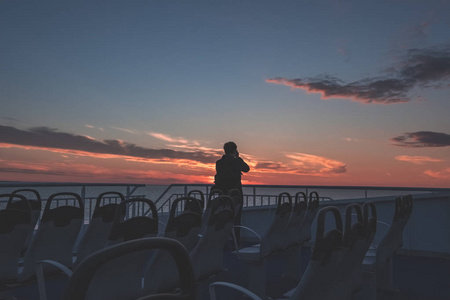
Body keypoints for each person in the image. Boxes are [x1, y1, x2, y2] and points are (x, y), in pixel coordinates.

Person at [212, 141, 250, 243]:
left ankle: (221, 240)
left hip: (223, 194)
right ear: (234, 150)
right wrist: (237, 158)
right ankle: (235, 241)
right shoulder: (236, 161)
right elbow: (247, 168)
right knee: (236, 218)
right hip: (235, 194)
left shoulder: (219, 162)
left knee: (223, 217)